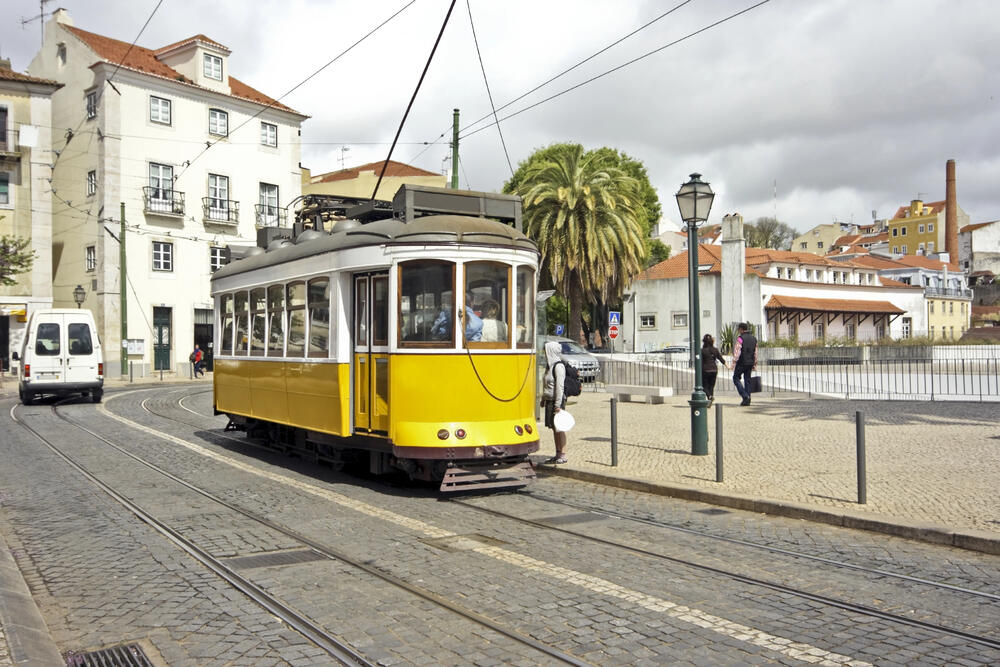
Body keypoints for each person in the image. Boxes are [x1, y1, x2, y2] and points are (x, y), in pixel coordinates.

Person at [541, 340, 568, 464]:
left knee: (559, 428)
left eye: (546, 351)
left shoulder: (558, 366)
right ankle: (557, 453)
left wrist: (558, 405)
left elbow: (559, 387)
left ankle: (563, 454)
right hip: (549, 401)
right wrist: (543, 399)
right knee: (553, 428)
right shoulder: (549, 366)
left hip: (556, 402)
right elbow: (546, 385)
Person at [732, 322, 757, 406]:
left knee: (735, 378)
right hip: (750, 362)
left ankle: (744, 395)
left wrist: (734, 362)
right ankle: (748, 399)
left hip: (742, 362)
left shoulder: (740, 338)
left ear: (741, 329)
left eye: (739, 329)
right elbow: (755, 352)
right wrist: (755, 363)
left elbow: (737, 351)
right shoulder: (754, 338)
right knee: (747, 380)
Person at [701, 333, 726, 405]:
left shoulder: (702, 350)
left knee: (704, 386)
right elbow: (721, 358)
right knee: (711, 386)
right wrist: (727, 366)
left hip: (705, 370)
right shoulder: (715, 350)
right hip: (714, 369)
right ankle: (710, 401)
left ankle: (709, 396)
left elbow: (700, 361)